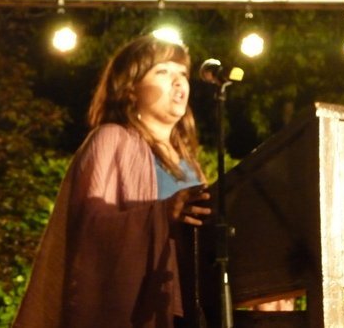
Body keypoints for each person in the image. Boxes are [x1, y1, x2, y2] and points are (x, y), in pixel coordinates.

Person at [13, 35, 211, 328]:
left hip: (190, 311)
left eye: (182, 73)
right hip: (136, 313)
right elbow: (91, 231)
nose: (178, 81)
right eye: (163, 71)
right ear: (130, 89)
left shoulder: (190, 164)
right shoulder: (110, 140)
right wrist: (162, 215)